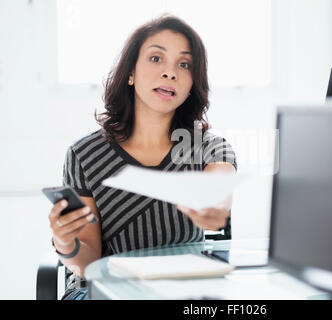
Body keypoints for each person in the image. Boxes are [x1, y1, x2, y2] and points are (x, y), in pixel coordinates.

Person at [47, 14, 237, 300]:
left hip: (180, 291)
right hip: (103, 290)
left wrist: (214, 211)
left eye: (184, 64)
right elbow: (87, 264)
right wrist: (65, 241)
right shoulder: (84, 154)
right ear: (131, 73)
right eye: (156, 59)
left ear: (190, 85)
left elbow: (218, 199)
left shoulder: (209, 147)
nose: (170, 72)